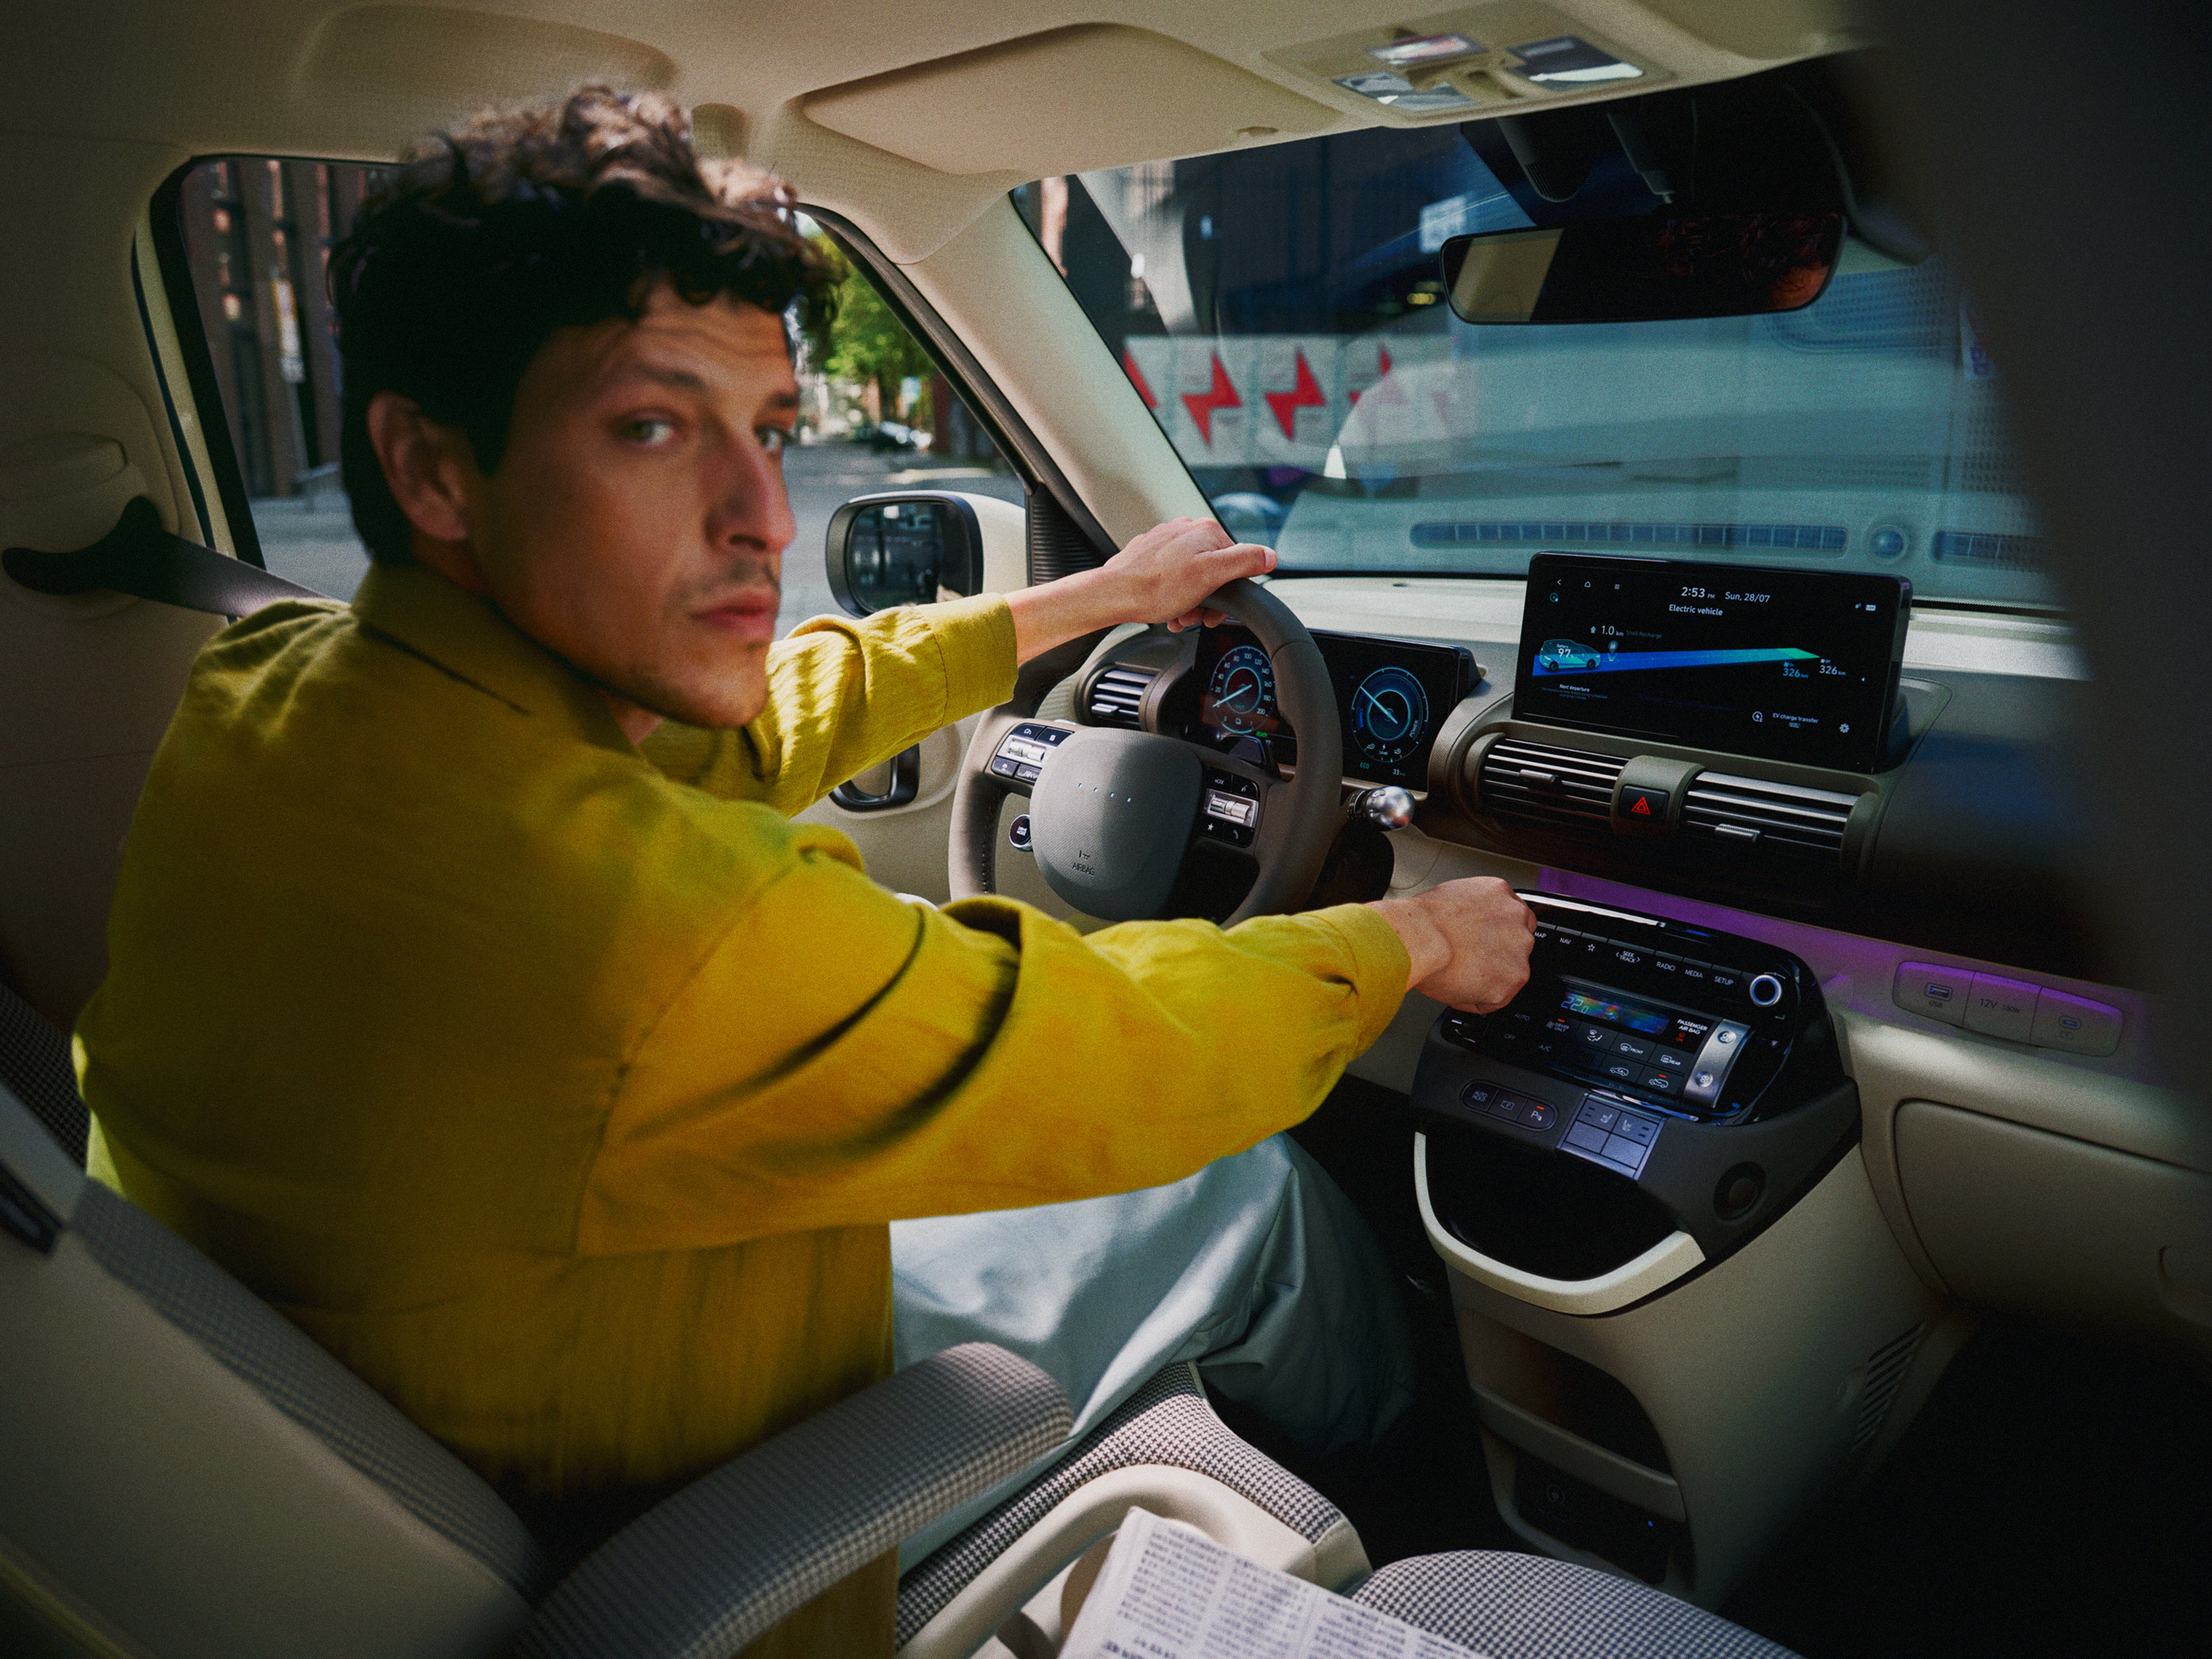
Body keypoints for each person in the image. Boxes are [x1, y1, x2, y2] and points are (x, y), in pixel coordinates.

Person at [73, 87, 1535, 1654]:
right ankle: (1442, 1528)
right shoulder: (637, 935)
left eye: (769, 434)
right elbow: (1114, 1046)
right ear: (433, 472)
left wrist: (1093, 598)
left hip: (474, 1376)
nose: (765, 517)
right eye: (652, 427)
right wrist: (1408, 946)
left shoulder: (278, 695)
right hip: (676, 1499)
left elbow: (745, 722)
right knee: (1240, 1190)